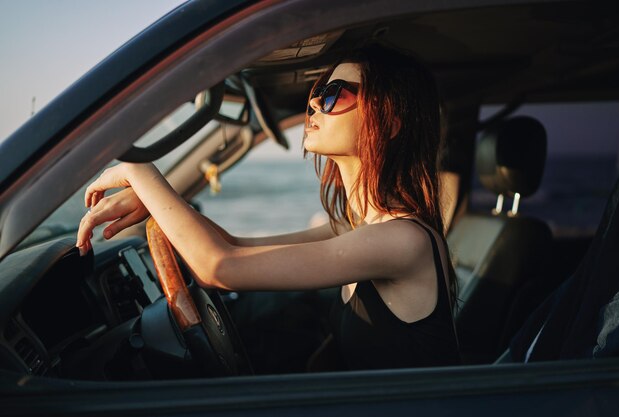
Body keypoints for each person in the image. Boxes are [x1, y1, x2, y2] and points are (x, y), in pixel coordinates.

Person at [76, 44, 460, 371]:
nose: (313, 102)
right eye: (318, 92)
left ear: (389, 120)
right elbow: (234, 246)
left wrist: (139, 171)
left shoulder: (402, 240)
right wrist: (154, 200)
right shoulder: (356, 225)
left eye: (334, 94)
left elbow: (218, 267)